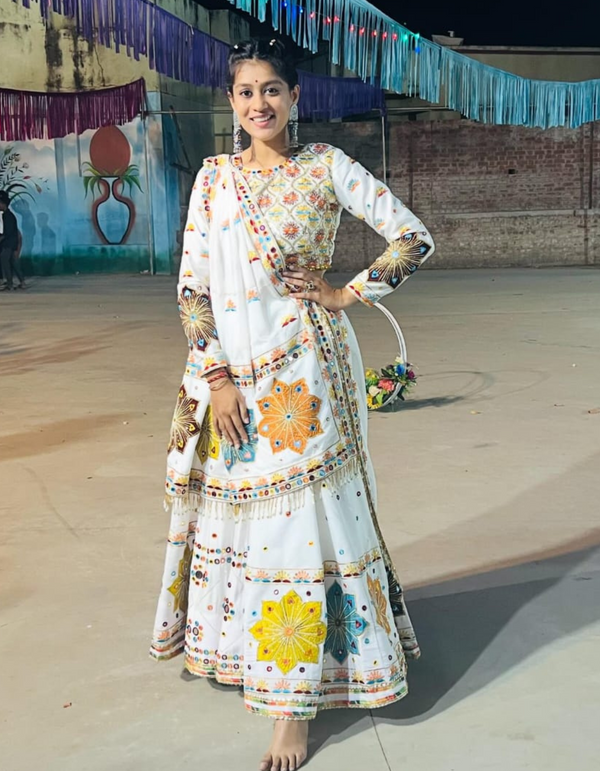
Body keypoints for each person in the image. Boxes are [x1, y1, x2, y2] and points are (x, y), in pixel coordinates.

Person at [150, 38, 435, 771]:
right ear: (233, 103)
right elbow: (192, 288)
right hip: (233, 378)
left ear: (295, 97)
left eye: (272, 90)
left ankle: (292, 707)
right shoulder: (214, 180)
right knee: (252, 519)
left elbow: (413, 236)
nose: (259, 104)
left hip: (308, 373)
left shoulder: (326, 167)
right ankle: (258, 653)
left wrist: (348, 292)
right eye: (246, 93)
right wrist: (214, 379)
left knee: (301, 528)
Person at [0, 191, 26, 290]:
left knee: (4, 260)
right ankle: (22, 282)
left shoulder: (8, 216)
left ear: (3, 204)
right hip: (10, 243)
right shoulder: (6, 215)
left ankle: (9, 284)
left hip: (9, 244)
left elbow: (8, 232)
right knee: (14, 262)